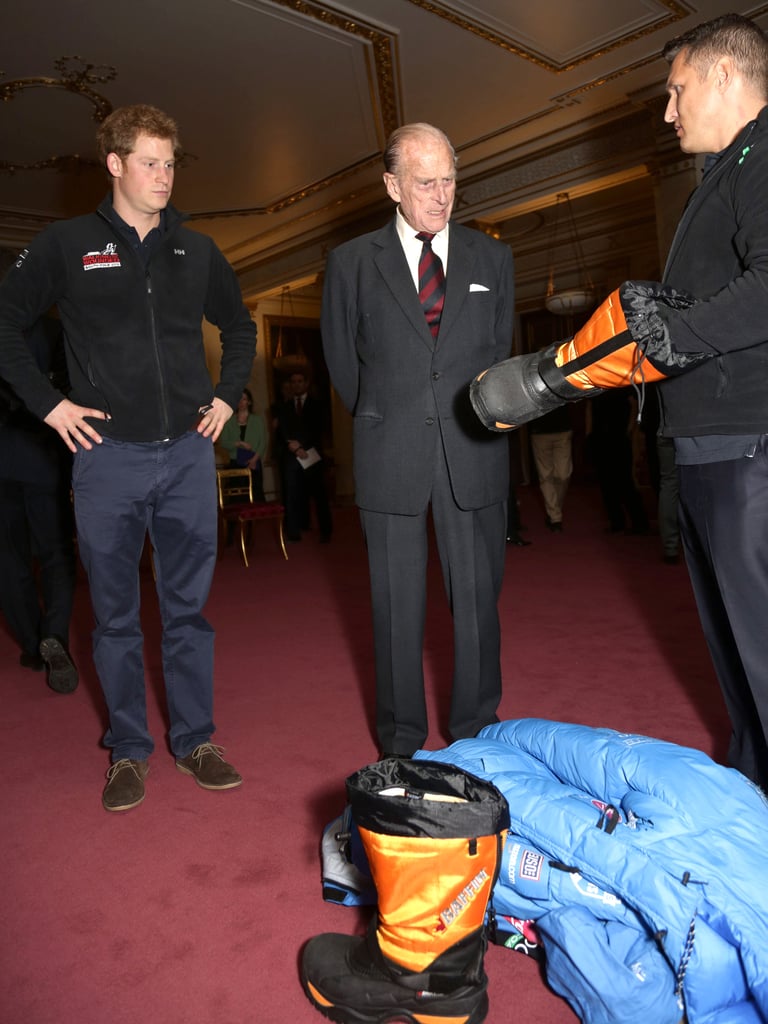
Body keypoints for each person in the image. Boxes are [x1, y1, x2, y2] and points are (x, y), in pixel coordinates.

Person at [0, 104, 256, 811]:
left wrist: (228, 395)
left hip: (185, 457)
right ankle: (129, 751)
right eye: (149, 162)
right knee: (113, 618)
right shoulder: (65, 244)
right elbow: (5, 324)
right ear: (113, 164)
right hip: (106, 459)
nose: (164, 176)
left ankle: (196, 740)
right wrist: (48, 405)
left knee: (187, 613)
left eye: (171, 163)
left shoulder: (196, 250)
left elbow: (237, 325)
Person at [321, 122, 514, 757]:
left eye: (450, 180)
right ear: (391, 185)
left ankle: (477, 734)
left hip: (474, 450)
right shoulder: (351, 263)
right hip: (391, 452)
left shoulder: (493, 258)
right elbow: (345, 368)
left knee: (479, 606)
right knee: (395, 610)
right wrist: (389, 417)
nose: (441, 194)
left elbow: (498, 353)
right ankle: (401, 744)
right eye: (425, 182)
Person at [657, 13, 768, 789]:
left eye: (677, 89)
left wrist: (672, 333)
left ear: (726, 76)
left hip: (746, 448)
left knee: (761, 645)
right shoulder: (728, 169)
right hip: (707, 446)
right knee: (734, 650)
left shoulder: (763, 158)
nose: (669, 111)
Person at [0, 312, 78, 692]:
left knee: (8, 557)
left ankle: (33, 645)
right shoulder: (53, 327)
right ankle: (55, 635)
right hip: (43, 454)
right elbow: (69, 386)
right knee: (56, 552)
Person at [276, 369, 332, 542]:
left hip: (312, 454)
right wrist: (293, 446)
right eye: (293, 381)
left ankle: (326, 531)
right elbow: (283, 430)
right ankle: (293, 531)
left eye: (300, 381)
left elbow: (318, 428)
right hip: (292, 455)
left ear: (306, 383)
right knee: (291, 494)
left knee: (319, 494)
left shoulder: (317, 404)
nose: (297, 384)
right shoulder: (284, 406)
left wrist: (301, 446)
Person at [528, 403, 573, 533]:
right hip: (539, 430)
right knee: (545, 476)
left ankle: (554, 510)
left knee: (563, 475)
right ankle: (555, 518)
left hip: (563, 429)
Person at [218, 387, 267, 501]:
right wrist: (238, 443)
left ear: (249, 402)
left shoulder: (257, 420)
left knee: (256, 495)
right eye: (238, 399)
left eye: (244, 399)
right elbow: (223, 442)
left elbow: (263, 443)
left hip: (254, 462)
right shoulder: (229, 421)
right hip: (236, 463)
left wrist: (254, 460)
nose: (241, 402)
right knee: (238, 497)